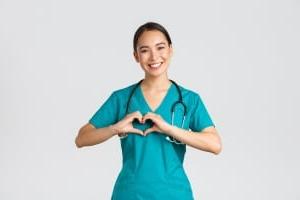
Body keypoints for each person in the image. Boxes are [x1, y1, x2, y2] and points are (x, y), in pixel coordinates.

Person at [75, 21, 222, 200]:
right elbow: (82, 138)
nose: (154, 57)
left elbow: (215, 144)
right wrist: (115, 128)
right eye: (144, 50)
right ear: (136, 56)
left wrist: (169, 129)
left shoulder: (189, 100)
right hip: (129, 194)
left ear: (170, 49)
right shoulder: (121, 98)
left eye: (160, 48)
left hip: (175, 194)